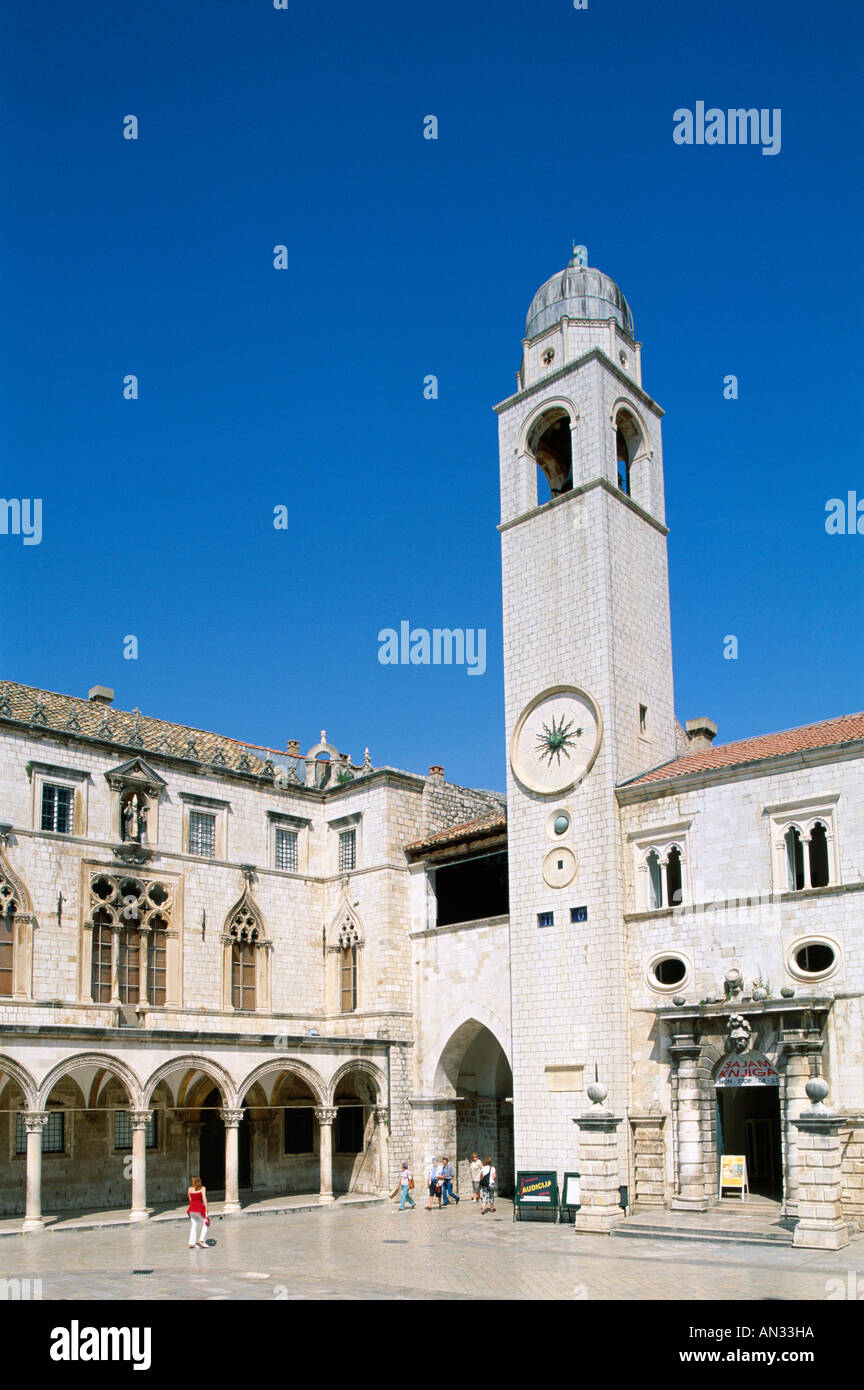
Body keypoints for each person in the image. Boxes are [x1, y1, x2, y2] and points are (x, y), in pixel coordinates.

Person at [187, 1176, 209, 1247]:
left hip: (191, 1208)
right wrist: (206, 1208)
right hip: (199, 1208)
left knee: (193, 1225)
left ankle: (191, 1243)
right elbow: (204, 1197)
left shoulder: (190, 1189)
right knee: (206, 1222)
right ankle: (201, 1240)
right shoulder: (202, 1188)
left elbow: (190, 1199)